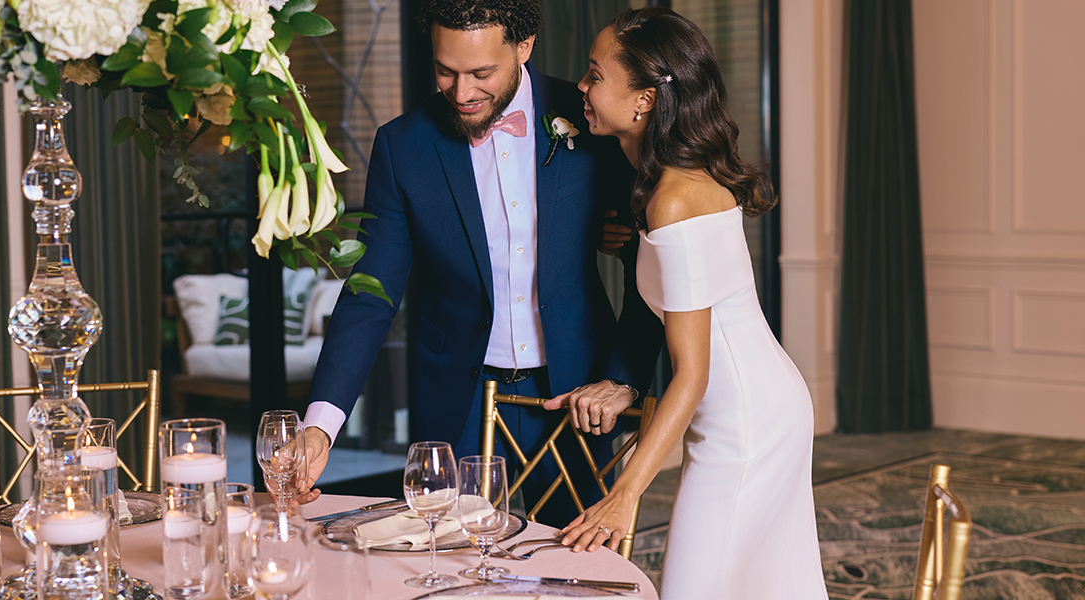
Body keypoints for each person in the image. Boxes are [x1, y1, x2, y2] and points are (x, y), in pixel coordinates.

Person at [296, 0, 664, 527]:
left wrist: (625, 379)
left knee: (576, 566)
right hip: (458, 398)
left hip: (575, 392)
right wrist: (322, 423)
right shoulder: (403, 146)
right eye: (446, 71)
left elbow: (649, 272)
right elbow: (371, 291)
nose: (462, 92)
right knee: (446, 561)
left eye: (481, 73)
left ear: (524, 47)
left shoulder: (592, 116)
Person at [547, 7, 829, 598]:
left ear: (645, 99)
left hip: (745, 422)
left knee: (693, 587)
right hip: (749, 409)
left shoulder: (672, 199)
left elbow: (693, 375)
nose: (582, 87)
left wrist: (625, 494)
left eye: (596, 75)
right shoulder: (667, 183)